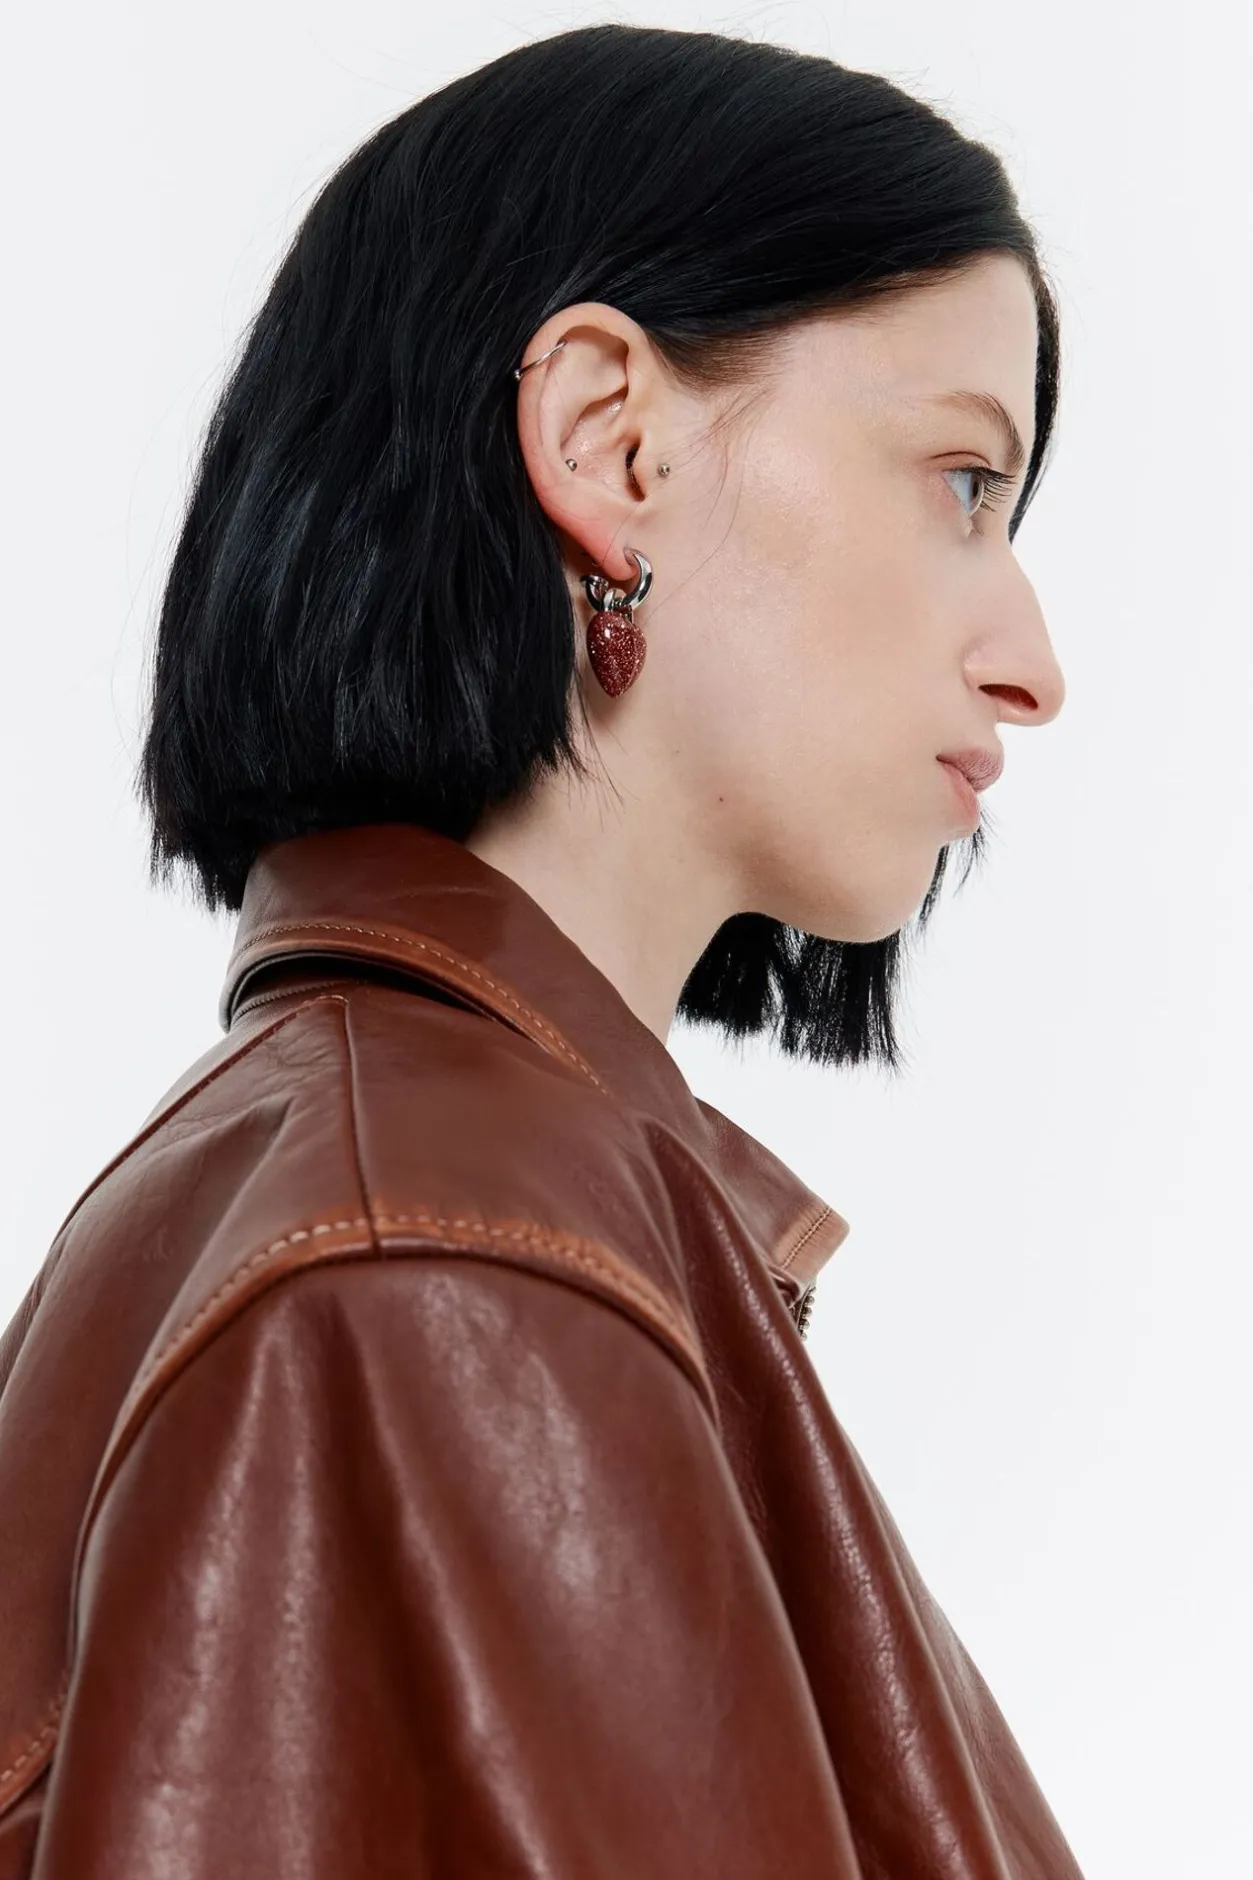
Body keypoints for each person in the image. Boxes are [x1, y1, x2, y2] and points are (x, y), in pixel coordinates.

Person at [0, 23, 1081, 1878]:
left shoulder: (375, 1190)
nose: (1034, 666)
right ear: (608, 438)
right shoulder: (448, 1262)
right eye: (964, 482)